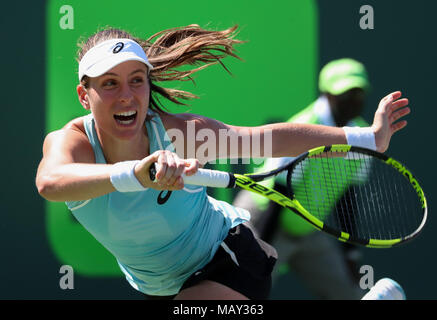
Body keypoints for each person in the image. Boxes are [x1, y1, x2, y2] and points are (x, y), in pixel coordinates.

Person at [35, 24, 410, 300]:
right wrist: (137, 173)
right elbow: (51, 182)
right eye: (110, 84)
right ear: (85, 96)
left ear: (149, 86)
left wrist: (367, 138)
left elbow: (267, 139)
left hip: (227, 256)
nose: (127, 96)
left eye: (137, 81)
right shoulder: (72, 143)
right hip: (162, 286)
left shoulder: (183, 134)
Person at [233, 58, 378, 299]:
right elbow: (279, 193)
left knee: (348, 294)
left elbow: (347, 198)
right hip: (265, 218)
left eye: (359, 94)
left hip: (308, 225)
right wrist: (262, 252)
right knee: (245, 294)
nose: (354, 101)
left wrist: (350, 254)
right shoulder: (304, 127)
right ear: (327, 94)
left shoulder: (362, 137)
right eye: (346, 94)